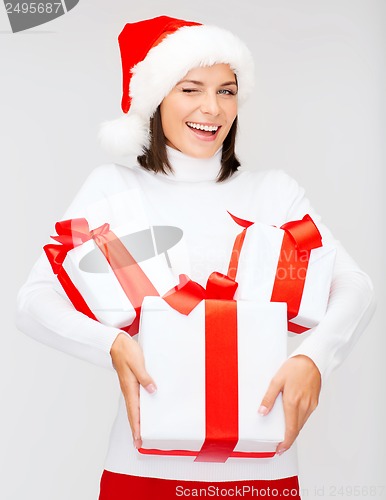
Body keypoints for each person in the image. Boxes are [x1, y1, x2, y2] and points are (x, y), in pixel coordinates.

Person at [16, 15, 375, 500]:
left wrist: (315, 355)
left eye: (227, 91)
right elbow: (33, 301)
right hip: (142, 472)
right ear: (156, 98)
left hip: (263, 474)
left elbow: (355, 286)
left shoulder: (274, 193)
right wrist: (111, 344)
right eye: (191, 89)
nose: (212, 108)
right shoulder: (115, 189)